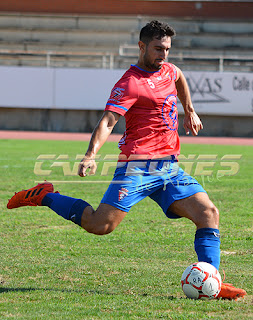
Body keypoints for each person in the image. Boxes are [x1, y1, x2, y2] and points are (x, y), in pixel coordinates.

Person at [7, 20, 246, 300]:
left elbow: (179, 77)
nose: (164, 55)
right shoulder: (130, 83)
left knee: (209, 214)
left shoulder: (169, 70)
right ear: (142, 46)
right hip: (137, 167)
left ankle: (213, 282)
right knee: (100, 225)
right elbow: (108, 121)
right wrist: (90, 155)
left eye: (167, 49)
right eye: (158, 49)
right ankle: (44, 195)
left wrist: (190, 110)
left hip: (169, 167)